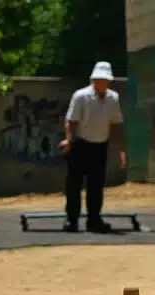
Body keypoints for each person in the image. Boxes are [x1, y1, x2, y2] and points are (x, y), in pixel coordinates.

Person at [58, 61, 127, 233]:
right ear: (92, 79)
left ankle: (94, 219)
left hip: (100, 146)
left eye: (104, 80)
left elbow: (115, 125)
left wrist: (120, 149)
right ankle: (71, 219)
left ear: (109, 81)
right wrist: (69, 140)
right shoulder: (81, 96)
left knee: (96, 185)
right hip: (81, 144)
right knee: (74, 183)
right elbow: (71, 121)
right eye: (98, 79)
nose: (101, 82)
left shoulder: (113, 98)